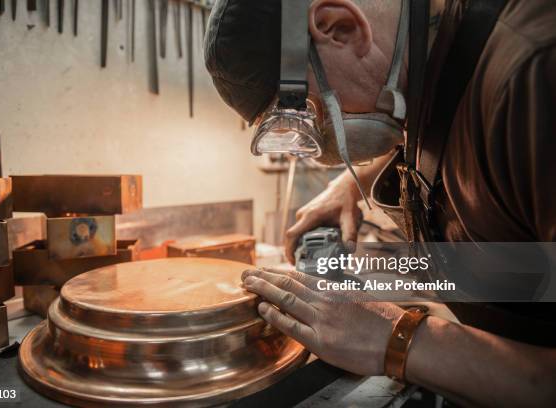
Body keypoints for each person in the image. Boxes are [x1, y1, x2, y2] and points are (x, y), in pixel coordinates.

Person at [205, 0, 556, 406]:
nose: (318, 147)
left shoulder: (536, 73)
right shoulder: (433, 61)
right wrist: (350, 186)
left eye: (310, 113)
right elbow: (455, 135)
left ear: (339, 26)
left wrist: (401, 339)